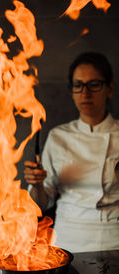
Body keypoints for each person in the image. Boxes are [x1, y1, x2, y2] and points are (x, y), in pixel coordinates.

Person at [24, 52, 119, 253]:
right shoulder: (58, 136)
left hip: (114, 236)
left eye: (94, 84)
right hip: (68, 238)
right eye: (78, 85)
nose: (85, 93)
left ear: (109, 89)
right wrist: (37, 184)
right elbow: (39, 206)